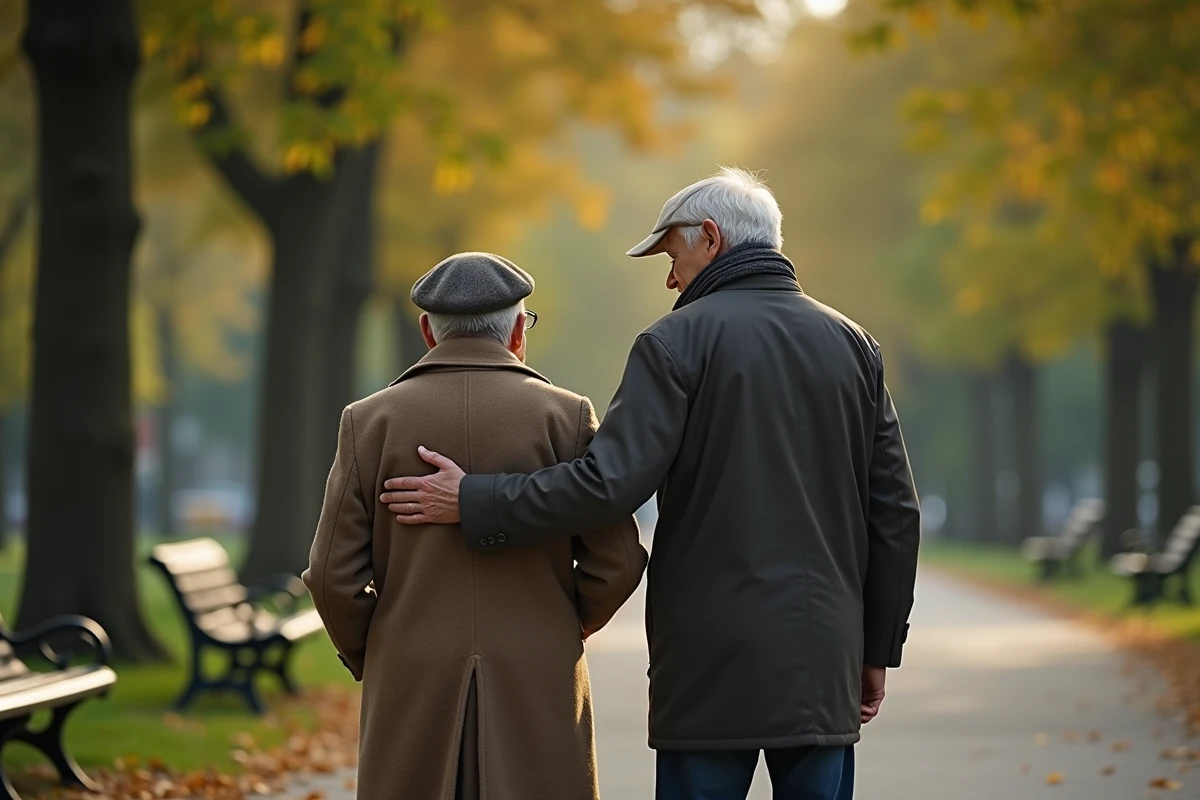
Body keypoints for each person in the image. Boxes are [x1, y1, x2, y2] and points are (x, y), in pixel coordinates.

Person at [380, 168, 921, 800]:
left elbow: (606, 486)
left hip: (708, 662)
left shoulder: (673, 343)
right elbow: (895, 512)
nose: (670, 278)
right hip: (825, 656)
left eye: (671, 256)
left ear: (711, 238)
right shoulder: (854, 346)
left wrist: (474, 498)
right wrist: (877, 648)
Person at [303, 252, 647, 800]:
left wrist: (381, 647)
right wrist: (563, 623)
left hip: (411, 671)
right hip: (538, 671)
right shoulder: (566, 417)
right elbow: (619, 562)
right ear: (518, 330)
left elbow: (329, 574)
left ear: (427, 331)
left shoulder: (368, 421)